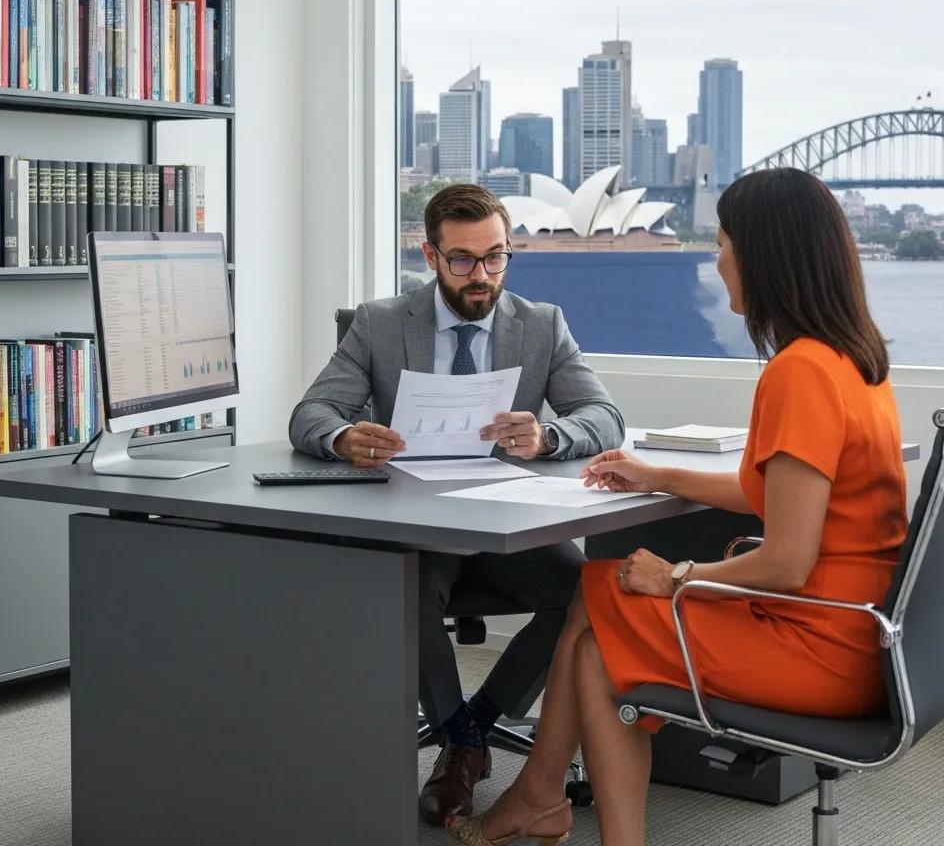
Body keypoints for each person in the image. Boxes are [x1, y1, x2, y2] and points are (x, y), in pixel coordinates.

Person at [448, 168, 908, 846]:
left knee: (599, 628)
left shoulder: (800, 373)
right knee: (594, 601)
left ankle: (546, 800)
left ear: (763, 255)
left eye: (723, 243)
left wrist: (678, 577)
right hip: (863, 637)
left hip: (818, 645)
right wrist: (658, 475)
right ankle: (542, 798)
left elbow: (784, 562)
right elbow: (775, 497)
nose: (716, 260)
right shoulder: (854, 362)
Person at [289, 183, 625, 827]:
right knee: (404, 589)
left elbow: (604, 417)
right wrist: (342, 436)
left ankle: (469, 730)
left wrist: (550, 435)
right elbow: (312, 411)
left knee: (587, 593)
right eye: (464, 260)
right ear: (431, 256)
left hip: (506, 523)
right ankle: (461, 742)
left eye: (496, 258)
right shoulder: (383, 323)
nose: (483, 276)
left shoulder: (541, 324)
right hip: (419, 522)